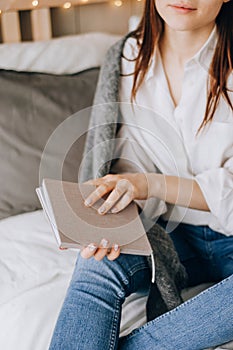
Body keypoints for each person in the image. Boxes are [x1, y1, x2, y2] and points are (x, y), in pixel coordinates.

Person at [49, 0, 233, 349]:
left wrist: (150, 184)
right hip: (164, 235)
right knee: (96, 266)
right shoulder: (128, 57)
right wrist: (108, 208)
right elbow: (120, 163)